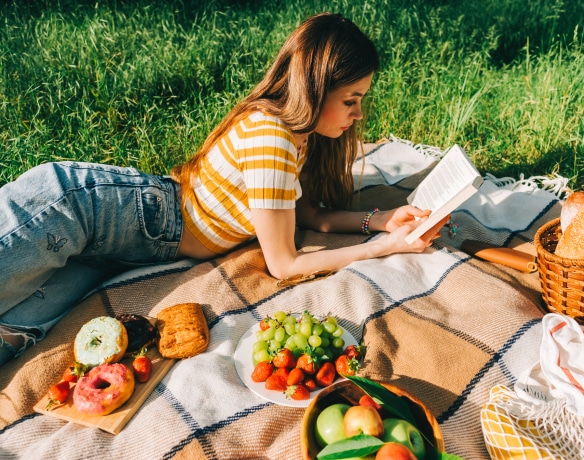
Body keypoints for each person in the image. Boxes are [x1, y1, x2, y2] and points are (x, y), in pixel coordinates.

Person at [0, 12, 446, 367]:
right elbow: (284, 264)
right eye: (352, 99)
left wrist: (380, 221)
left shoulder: (296, 138)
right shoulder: (270, 138)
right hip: (87, 206)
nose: (359, 114)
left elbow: (312, 216)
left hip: (121, 247)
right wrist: (382, 249)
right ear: (315, 89)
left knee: (15, 332)